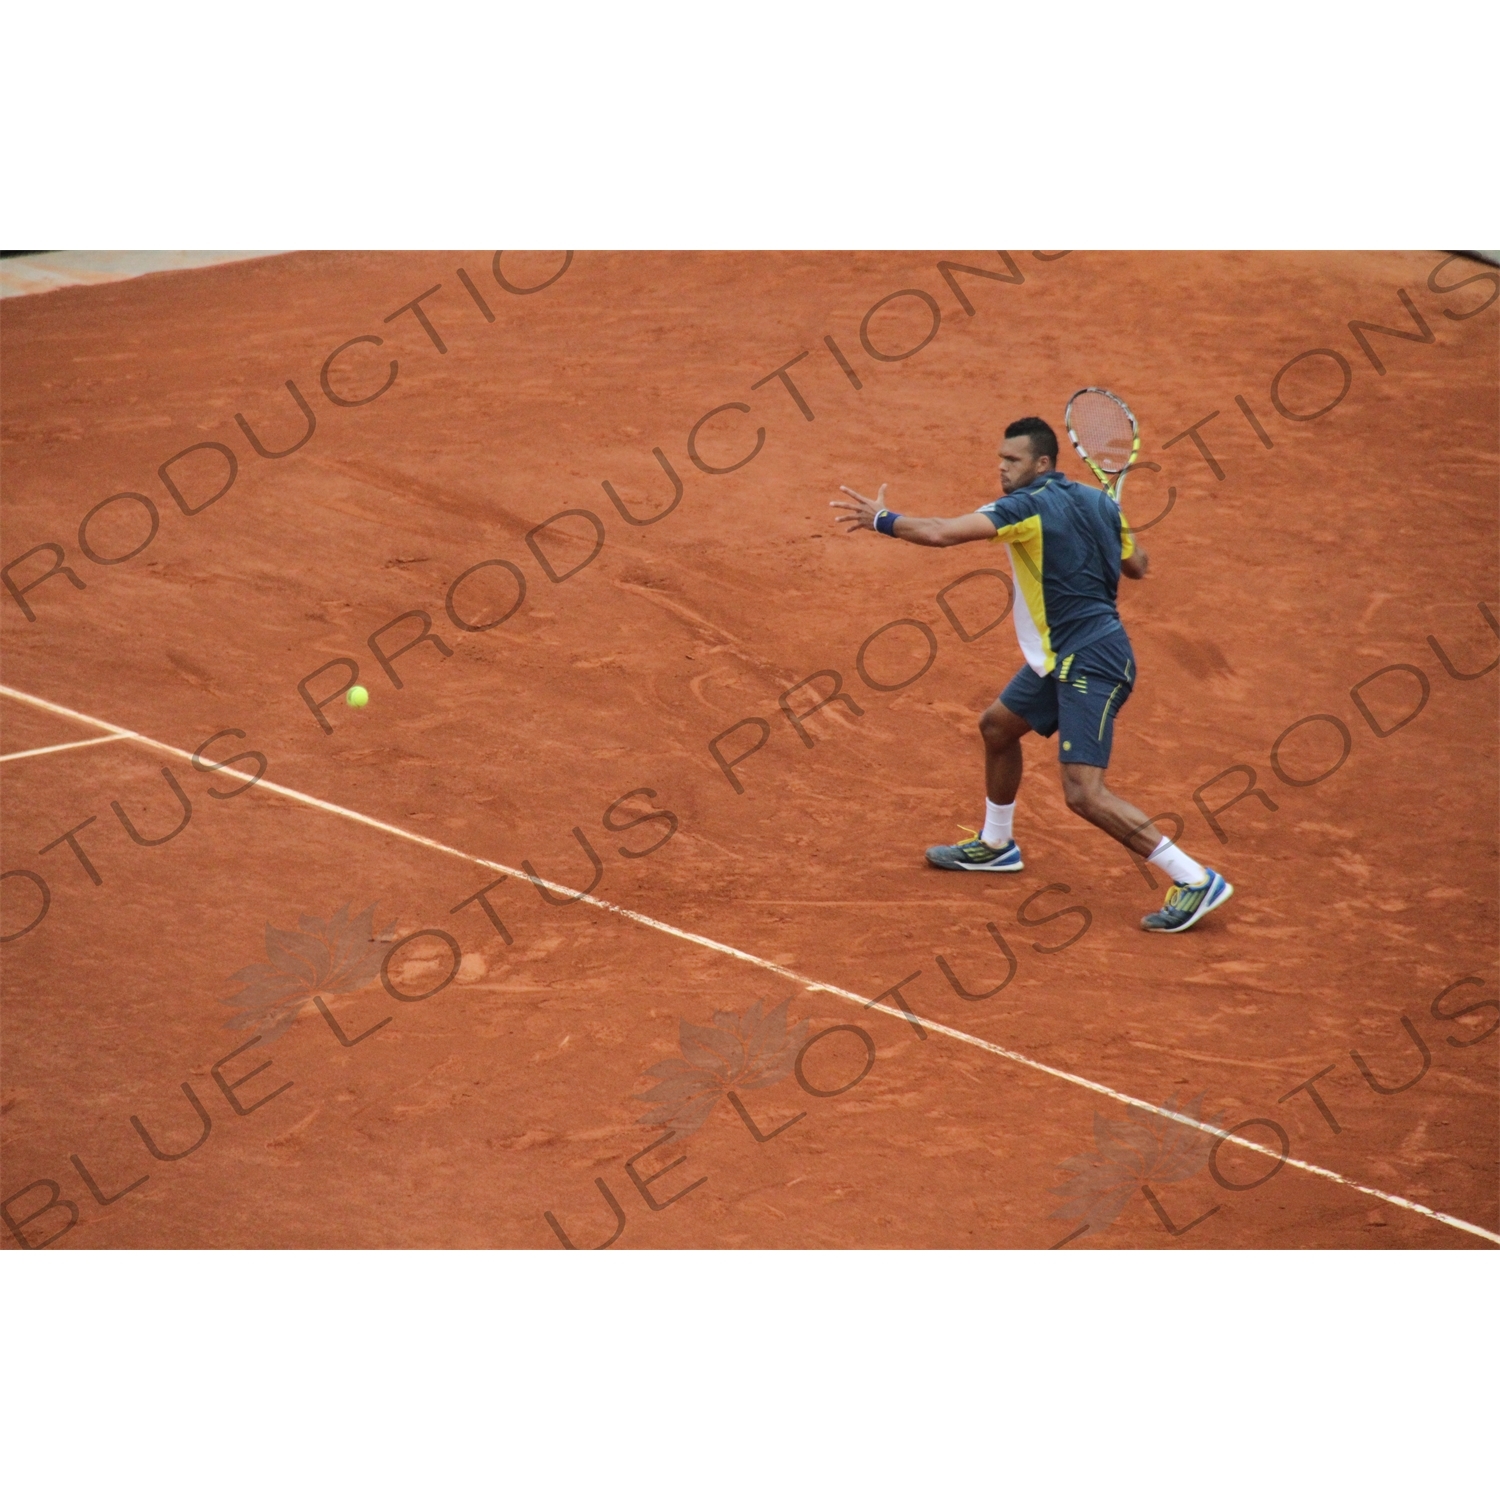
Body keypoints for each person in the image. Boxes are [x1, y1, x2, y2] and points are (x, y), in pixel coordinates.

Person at [830, 415, 1232, 934]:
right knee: (998, 727)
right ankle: (997, 845)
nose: (1002, 468)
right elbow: (1139, 567)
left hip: (1092, 661)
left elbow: (939, 533)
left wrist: (882, 518)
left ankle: (1194, 878)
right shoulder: (1102, 504)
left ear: (1042, 463)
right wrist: (1109, 525)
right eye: (1000, 458)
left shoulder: (1026, 507)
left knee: (1084, 793)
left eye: (1012, 460)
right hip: (1061, 658)